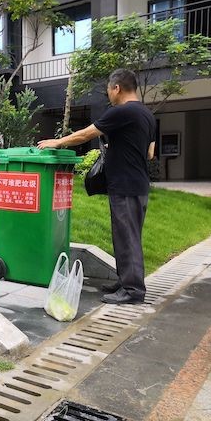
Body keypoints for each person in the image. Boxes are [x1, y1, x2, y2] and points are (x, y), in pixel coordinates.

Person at [37, 69, 156, 305]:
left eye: (109, 90)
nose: (109, 95)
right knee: (126, 235)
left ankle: (133, 290)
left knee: (127, 237)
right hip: (138, 184)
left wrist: (58, 141)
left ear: (117, 88)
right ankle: (125, 281)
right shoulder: (146, 114)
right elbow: (150, 153)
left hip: (126, 185)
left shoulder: (123, 110)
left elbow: (87, 133)